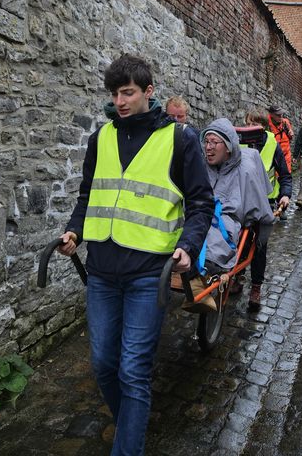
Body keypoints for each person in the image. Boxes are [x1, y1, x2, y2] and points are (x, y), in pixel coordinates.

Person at [58, 55, 214, 456]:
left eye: (127, 92)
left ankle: (128, 447)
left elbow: (200, 202)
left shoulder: (180, 139)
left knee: (133, 371)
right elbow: (87, 195)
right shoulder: (101, 138)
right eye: (114, 94)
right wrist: (74, 229)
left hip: (149, 274)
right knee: (103, 365)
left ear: (148, 92)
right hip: (102, 273)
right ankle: (131, 424)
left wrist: (189, 245)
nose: (120, 101)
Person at [197, 119, 276, 308]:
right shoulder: (202, 167)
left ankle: (255, 285)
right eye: (206, 142)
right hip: (200, 216)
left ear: (228, 147)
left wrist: (261, 236)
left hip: (227, 222)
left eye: (213, 143)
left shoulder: (246, 171)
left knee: (254, 245)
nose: (208, 147)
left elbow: (263, 212)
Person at [237, 110, 292, 309]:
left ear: (263, 126)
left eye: (256, 123)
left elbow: (285, 175)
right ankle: (236, 275)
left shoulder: (272, 144)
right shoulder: (237, 142)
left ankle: (256, 287)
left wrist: (285, 194)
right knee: (236, 240)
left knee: (259, 246)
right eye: (249, 122)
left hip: (265, 202)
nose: (251, 127)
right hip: (240, 200)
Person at [267, 105, 294, 172]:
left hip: (286, 156)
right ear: (271, 115)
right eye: (278, 115)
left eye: (281, 114)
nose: (280, 117)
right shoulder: (267, 124)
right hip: (273, 156)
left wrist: (291, 134)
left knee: (286, 176)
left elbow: (290, 138)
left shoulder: (285, 122)